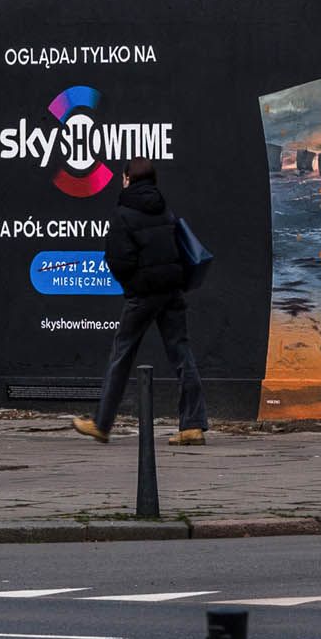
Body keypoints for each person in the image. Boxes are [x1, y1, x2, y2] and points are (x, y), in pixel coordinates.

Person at [73, 158, 208, 447]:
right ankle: (193, 425)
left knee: (121, 355)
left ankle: (102, 423)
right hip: (171, 292)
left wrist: (133, 286)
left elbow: (119, 260)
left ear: (127, 179)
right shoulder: (164, 209)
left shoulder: (123, 212)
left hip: (143, 296)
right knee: (182, 354)